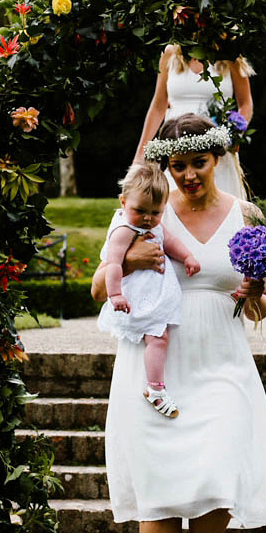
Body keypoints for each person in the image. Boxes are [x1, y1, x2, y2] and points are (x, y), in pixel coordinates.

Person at [92, 114, 266, 533]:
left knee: (221, 475)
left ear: (217, 159)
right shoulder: (147, 209)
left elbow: (263, 306)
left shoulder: (246, 214)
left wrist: (255, 296)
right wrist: (130, 260)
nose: (188, 175)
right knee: (157, 497)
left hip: (221, 360)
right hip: (155, 364)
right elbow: (98, 288)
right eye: (177, 165)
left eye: (198, 163)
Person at [96, 162, 201, 418]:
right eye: (140, 210)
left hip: (152, 293)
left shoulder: (153, 225)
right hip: (134, 297)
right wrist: (115, 295)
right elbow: (112, 265)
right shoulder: (123, 231)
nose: (147, 218)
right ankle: (155, 388)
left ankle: (156, 386)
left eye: (155, 212)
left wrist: (187, 257)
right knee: (158, 339)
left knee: (160, 338)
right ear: (122, 202)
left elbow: (170, 241)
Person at [133, 44, 254, 199]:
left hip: (216, 150)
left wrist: (234, 135)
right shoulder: (170, 53)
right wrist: (140, 155)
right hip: (175, 148)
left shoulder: (229, 54)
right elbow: (158, 106)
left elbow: (245, 104)